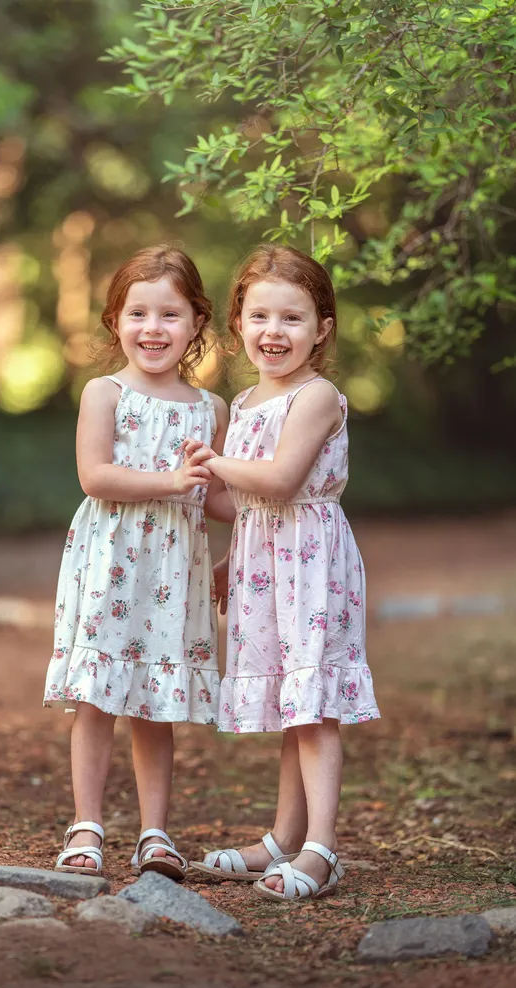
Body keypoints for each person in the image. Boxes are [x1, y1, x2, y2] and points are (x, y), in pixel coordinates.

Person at [185, 244, 380, 902]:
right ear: (238, 322)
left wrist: (209, 460)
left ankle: (321, 849)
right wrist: (223, 554)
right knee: (293, 704)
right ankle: (281, 838)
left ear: (321, 329)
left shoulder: (317, 396)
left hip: (311, 564)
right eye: (260, 315)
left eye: (292, 319)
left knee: (314, 705)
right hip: (266, 563)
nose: (274, 332)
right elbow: (248, 503)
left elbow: (279, 479)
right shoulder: (243, 402)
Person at [43, 245, 228, 881]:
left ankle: (156, 834)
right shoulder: (104, 392)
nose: (153, 328)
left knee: (156, 701)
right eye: (138, 313)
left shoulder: (211, 409)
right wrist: (175, 482)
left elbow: (221, 496)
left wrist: (279, 498)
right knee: (97, 696)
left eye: (170, 314)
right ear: (115, 321)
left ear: (197, 322)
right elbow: (95, 477)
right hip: (113, 563)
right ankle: (86, 826)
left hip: (175, 570)